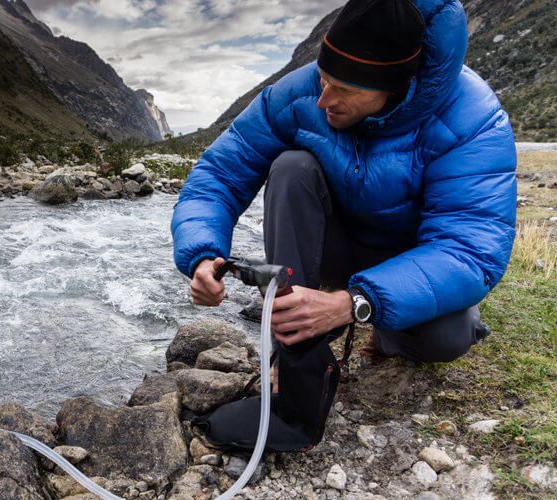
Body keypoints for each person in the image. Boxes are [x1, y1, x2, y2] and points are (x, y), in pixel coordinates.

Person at [171, 0, 517, 365]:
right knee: (291, 167)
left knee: (446, 338)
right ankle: (294, 345)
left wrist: (356, 303)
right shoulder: (300, 92)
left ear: (397, 88)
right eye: (324, 79)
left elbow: (468, 249)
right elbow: (220, 175)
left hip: (409, 258)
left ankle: (378, 327)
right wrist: (203, 254)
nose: (323, 101)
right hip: (332, 246)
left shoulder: (472, 119)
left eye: (346, 90)